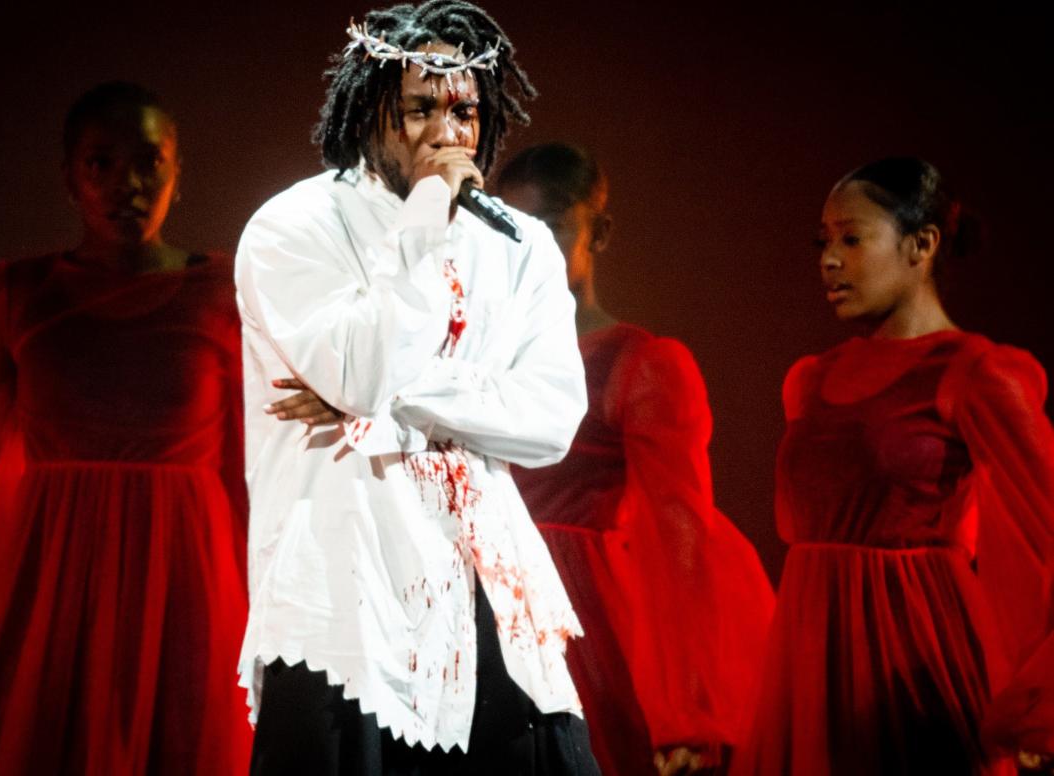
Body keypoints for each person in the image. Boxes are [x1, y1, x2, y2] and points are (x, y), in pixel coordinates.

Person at [233, 2, 599, 774]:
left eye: (464, 109)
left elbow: (549, 421)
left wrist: (393, 402)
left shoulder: (521, 245)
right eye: (422, 108)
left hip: (489, 592)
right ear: (372, 112)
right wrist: (426, 215)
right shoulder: (293, 226)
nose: (449, 131)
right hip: (347, 598)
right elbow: (365, 367)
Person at [0, 81, 253, 774]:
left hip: (190, 578)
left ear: (177, 173)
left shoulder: (226, 292)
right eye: (101, 163)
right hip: (50, 578)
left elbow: (256, 467)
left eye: (149, 161)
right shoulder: (18, 292)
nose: (127, 183)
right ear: (70, 178)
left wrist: (277, 614)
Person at [730, 157, 1054, 775]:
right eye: (823, 241)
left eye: (852, 239)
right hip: (811, 653)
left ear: (922, 244)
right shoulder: (812, 380)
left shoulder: (974, 373)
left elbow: (1047, 530)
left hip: (916, 650)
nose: (829, 259)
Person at [498, 143, 776, 776]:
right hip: (491, 617)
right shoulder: (482, 360)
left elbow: (679, 538)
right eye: (512, 230)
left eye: (551, 227)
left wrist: (685, 710)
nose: (529, 250)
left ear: (600, 231)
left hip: (588, 629)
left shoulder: (639, 364)